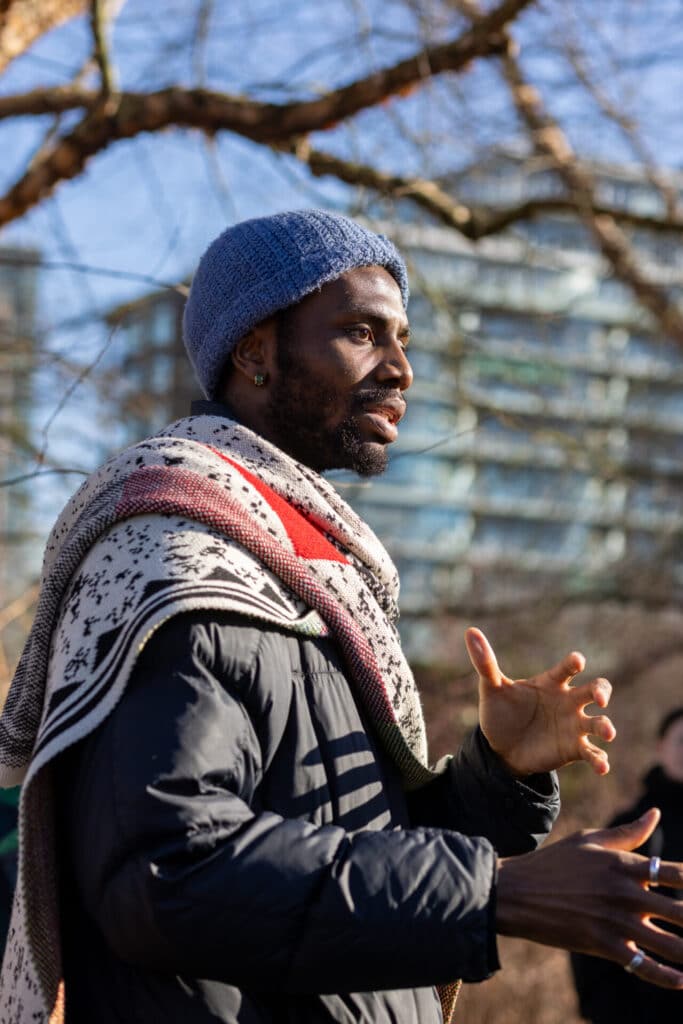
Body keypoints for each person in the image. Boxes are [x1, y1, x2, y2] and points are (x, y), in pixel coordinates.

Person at [0, 209, 681, 1024]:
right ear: (254, 350)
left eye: (403, 340)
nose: (401, 370)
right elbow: (166, 874)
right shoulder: (176, 560)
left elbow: (347, 842)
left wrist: (495, 776)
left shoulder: (304, 563)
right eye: (362, 333)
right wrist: (493, 896)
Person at [571, 706, 683, 1022]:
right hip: (641, 1009)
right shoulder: (628, 828)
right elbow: (588, 920)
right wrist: (605, 1008)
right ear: (661, 747)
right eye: (682, 741)